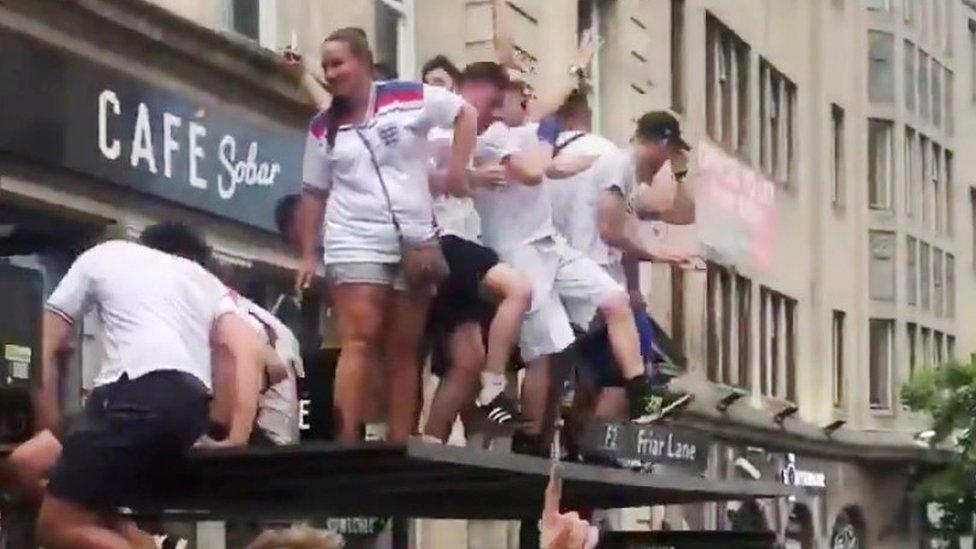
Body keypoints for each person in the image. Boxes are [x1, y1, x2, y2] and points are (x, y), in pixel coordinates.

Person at [456, 63, 669, 457]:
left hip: (550, 245)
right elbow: (534, 170)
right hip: (517, 251)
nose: (527, 99)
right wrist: (553, 121)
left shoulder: (525, 134)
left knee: (614, 299)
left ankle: (641, 392)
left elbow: (554, 165)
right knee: (547, 348)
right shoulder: (491, 137)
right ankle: (529, 434)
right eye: (518, 93)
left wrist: (589, 160)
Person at [295, 28, 479, 443]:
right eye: (325, 66)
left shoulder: (405, 97)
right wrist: (308, 253)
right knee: (359, 336)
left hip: (414, 239)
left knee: (404, 346)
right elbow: (312, 192)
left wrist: (456, 171)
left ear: (362, 62)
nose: (330, 73)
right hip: (353, 235)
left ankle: (399, 440)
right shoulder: (323, 126)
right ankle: (347, 438)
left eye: (338, 63)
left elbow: (465, 112)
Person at [31, 222, 264, 549]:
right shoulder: (202, 278)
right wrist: (236, 437)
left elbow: (44, 342)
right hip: (186, 408)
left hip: (132, 400)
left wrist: (48, 420)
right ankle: (145, 541)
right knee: (26, 465)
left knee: (55, 527)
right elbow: (248, 350)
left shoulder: (103, 254)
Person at [420, 57, 532, 440]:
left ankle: (433, 440)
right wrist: (472, 176)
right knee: (518, 288)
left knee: (466, 362)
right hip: (447, 240)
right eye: (492, 105)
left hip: (461, 240)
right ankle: (495, 386)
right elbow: (418, 176)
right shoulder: (437, 126)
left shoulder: (470, 130)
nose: (494, 117)